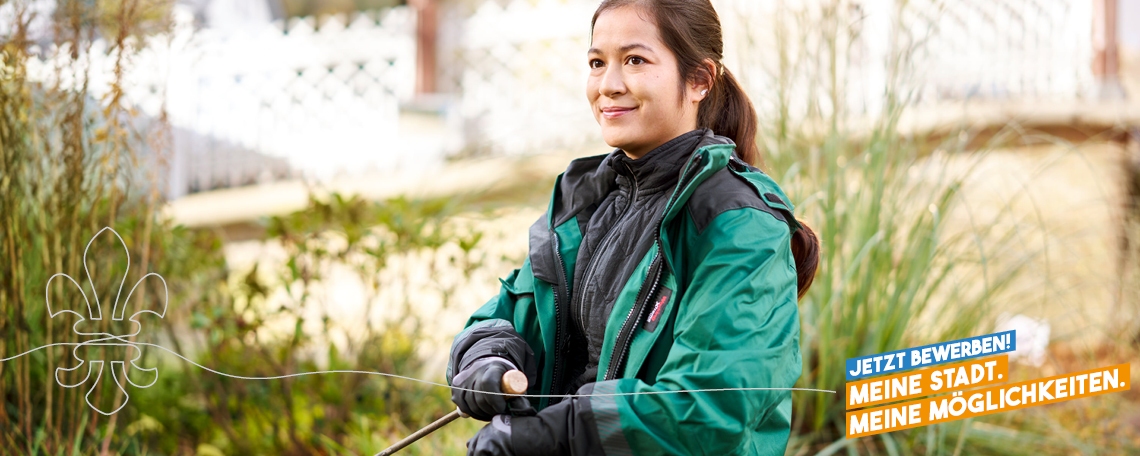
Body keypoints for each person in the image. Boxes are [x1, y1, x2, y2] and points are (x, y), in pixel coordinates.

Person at [446, 0, 820, 454]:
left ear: (700, 79)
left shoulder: (739, 224)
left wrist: (553, 435)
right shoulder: (588, 202)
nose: (609, 85)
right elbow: (505, 312)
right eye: (597, 63)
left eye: (635, 61)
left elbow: (708, 410)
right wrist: (487, 355)